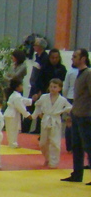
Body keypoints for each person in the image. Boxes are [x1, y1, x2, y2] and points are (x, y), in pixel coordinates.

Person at [61, 49, 91, 184]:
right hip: (77, 114)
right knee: (76, 146)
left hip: (86, 116)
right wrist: (71, 112)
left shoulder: (88, 73)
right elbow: (78, 97)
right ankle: (77, 174)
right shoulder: (78, 73)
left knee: (88, 146)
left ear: (83, 58)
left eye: (75, 56)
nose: (72, 58)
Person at [31, 79, 70, 168]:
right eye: (51, 86)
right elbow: (37, 104)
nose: (52, 88)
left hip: (55, 121)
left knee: (55, 143)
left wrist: (67, 115)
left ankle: (54, 162)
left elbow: (69, 108)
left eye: (55, 87)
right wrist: (37, 114)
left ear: (60, 88)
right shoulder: (44, 97)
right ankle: (47, 158)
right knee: (43, 143)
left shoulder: (62, 100)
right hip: (45, 120)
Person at [4, 78, 32, 148]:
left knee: (12, 129)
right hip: (12, 114)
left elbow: (23, 101)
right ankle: (13, 144)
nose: (22, 87)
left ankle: (12, 143)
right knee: (13, 129)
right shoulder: (16, 96)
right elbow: (20, 107)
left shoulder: (15, 95)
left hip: (10, 114)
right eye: (21, 85)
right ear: (17, 87)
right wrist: (27, 115)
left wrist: (32, 100)